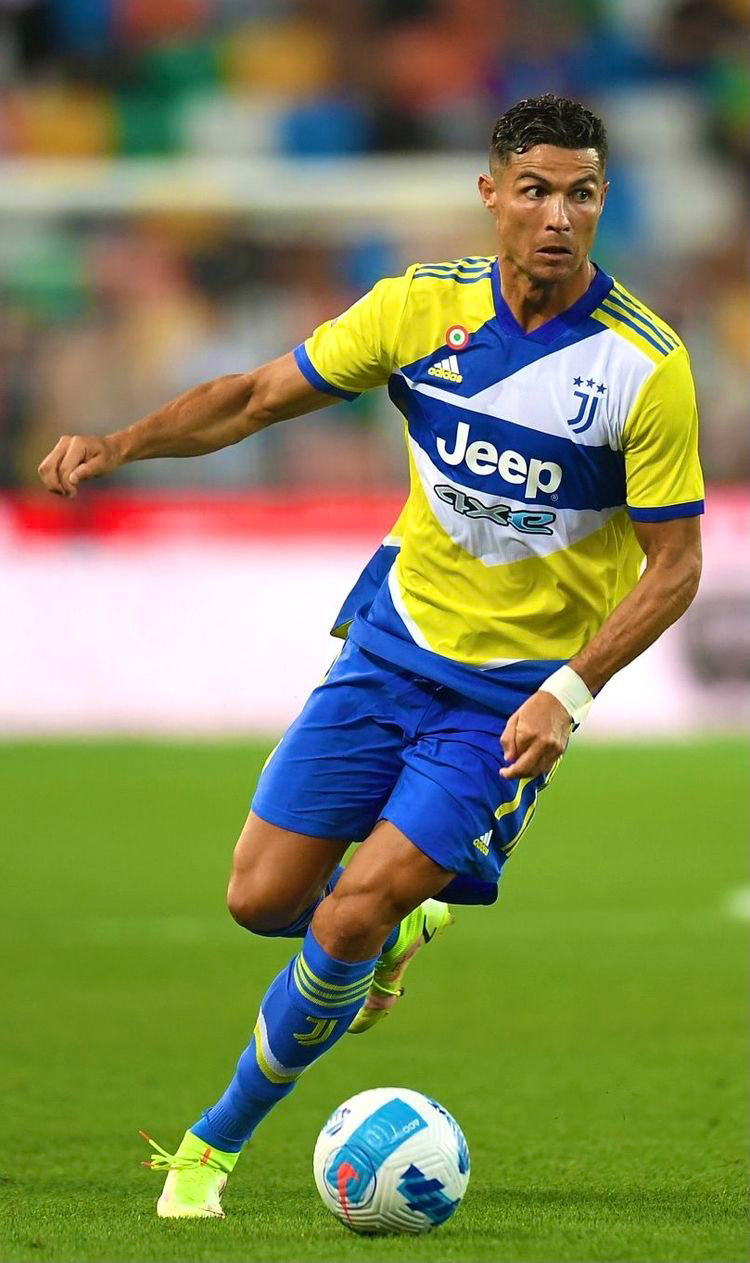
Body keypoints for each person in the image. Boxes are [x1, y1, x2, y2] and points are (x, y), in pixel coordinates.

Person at [37, 93, 704, 1220]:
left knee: (345, 917)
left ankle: (209, 1147)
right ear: (490, 195)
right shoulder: (417, 308)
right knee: (261, 900)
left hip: (506, 704)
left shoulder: (645, 365)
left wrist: (571, 691)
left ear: (604, 203)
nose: (558, 215)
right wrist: (122, 442)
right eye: (535, 190)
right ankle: (402, 925)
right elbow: (255, 397)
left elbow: (676, 565)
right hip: (392, 649)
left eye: (582, 193)